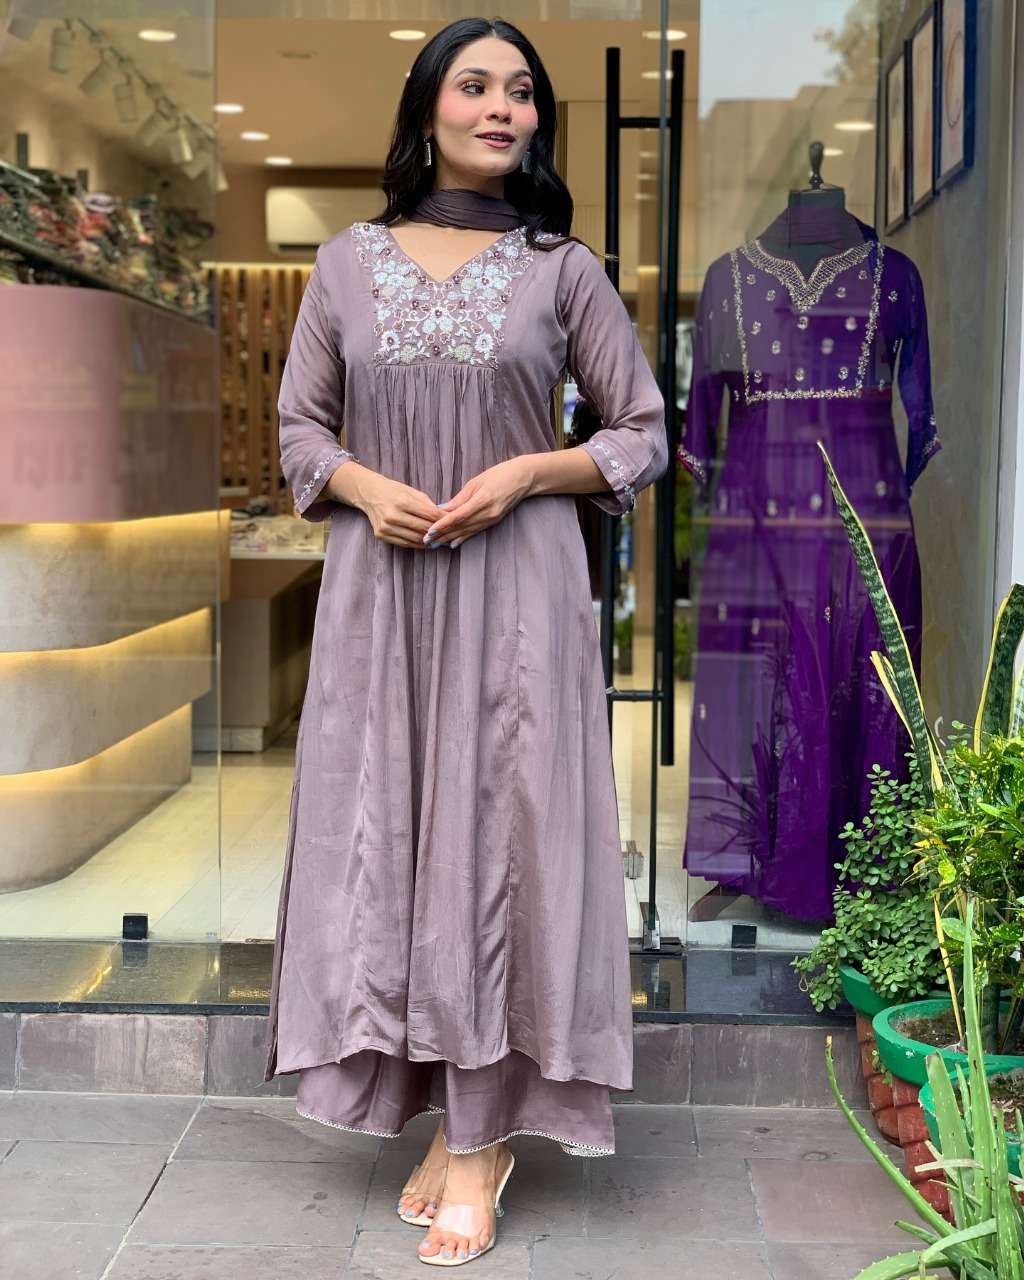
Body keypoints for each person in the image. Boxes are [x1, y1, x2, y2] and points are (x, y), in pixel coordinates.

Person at [263, 16, 667, 1267]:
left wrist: (531, 471)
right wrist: (356, 483)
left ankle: (483, 1138)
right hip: (382, 594)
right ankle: (444, 1113)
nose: (503, 107)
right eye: (476, 85)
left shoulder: (563, 270)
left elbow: (641, 430)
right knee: (392, 839)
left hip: (516, 592)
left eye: (522, 91)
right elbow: (298, 429)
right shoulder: (345, 263)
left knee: (500, 845)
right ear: (428, 107)